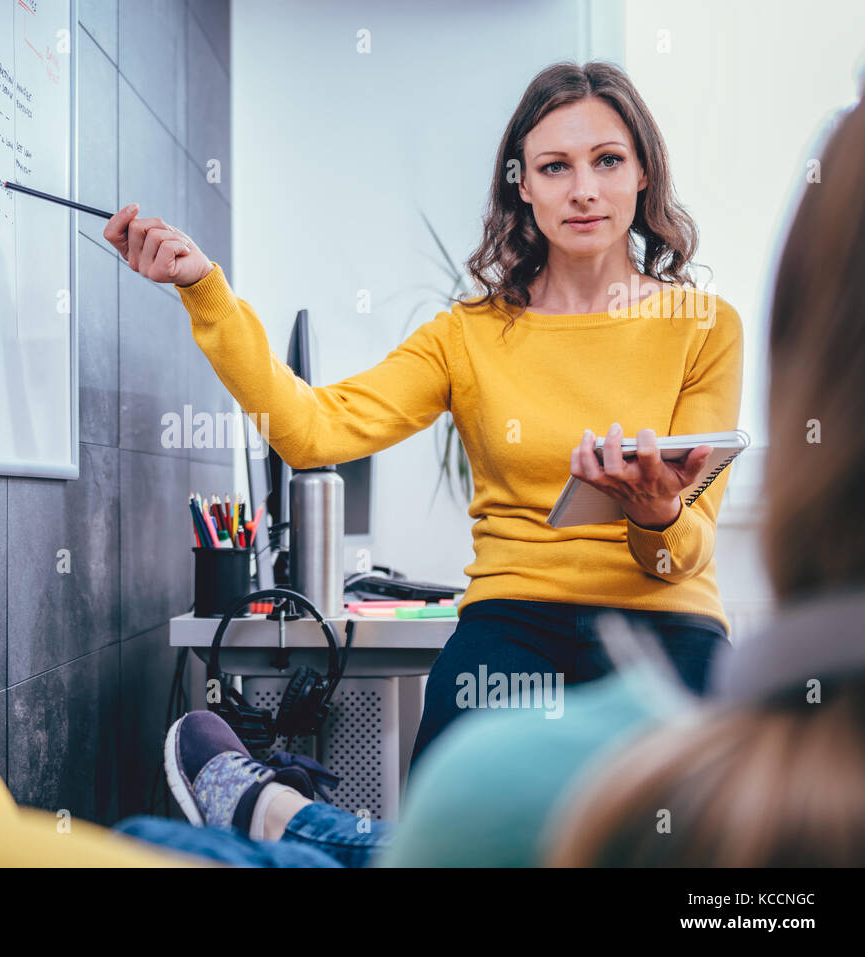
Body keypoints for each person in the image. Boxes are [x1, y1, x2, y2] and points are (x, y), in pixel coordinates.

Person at [110, 76, 865, 868]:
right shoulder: (465, 336)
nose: (583, 189)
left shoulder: (705, 327)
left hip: (668, 619)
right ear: (521, 187)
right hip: (512, 623)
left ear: (644, 173)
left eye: (607, 160)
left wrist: (654, 517)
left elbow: (685, 553)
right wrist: (206, 291)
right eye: (553, 167)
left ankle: (287, 822)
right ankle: (304, 825)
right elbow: (310, 431)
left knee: (701, 856)